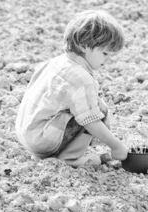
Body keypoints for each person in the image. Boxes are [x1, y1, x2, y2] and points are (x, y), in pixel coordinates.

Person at [15, 10, 129, 167]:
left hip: (28, 134)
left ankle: (52, 152)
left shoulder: (57, 62)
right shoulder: (82, 79)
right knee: (97, 110)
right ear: (83, 46)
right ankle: (70, 158)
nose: (107, 59)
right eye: (104, 53)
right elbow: (91, 121)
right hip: (42, 141)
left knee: (86, 106)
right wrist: (117, 146)